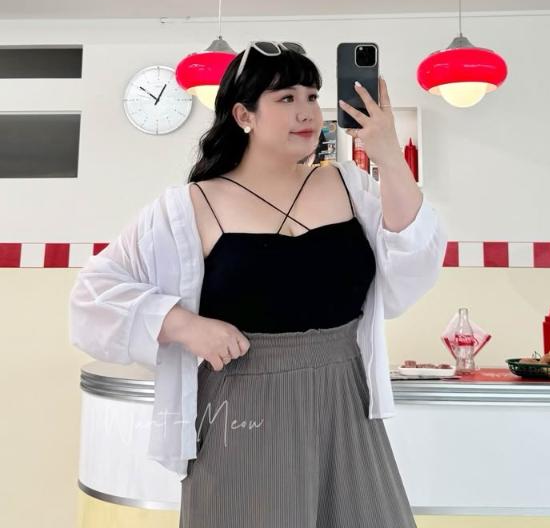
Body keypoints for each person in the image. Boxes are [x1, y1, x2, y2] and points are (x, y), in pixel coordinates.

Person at [69, 40, 448, 527]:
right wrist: (183, 325)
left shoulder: (349, 184)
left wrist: (389, 154)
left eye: (312, 96)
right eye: (286, 98)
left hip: (345, 399)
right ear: (243, 114)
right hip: (242, 408)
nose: (306, 111)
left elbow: (414, 255)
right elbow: (93, 296)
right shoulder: (188, 207)